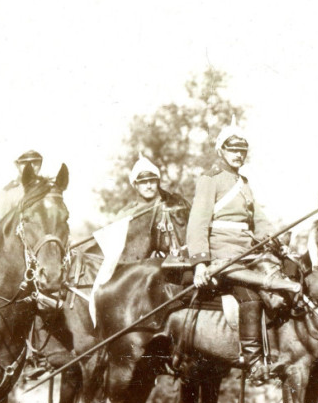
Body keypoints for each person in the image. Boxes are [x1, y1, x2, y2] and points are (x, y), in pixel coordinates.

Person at [186, 124, 301, 383]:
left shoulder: (243, 184)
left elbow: (258, 220)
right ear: (221, 150)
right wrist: (200, 263)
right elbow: (198, 222)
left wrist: (277, 242)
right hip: (222, 252)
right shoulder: (210, 179)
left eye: (242, 150)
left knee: (288, 274)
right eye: (232, 149)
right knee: (250, 297)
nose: (238, 154)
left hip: (248, 252)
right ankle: (253, 363)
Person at [120, 155, 190, 261]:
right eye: (143, 182)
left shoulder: (169, 205)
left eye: (152, 181)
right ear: (135, 185)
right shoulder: (125, 213)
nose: (148, 186)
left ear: (158, 182)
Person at [0, 149, 44, 232]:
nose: (31, 166)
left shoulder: (47, 191)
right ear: (17, 165)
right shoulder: (7, 193)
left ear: (41, 164)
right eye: (24, 162)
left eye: (35, 162)